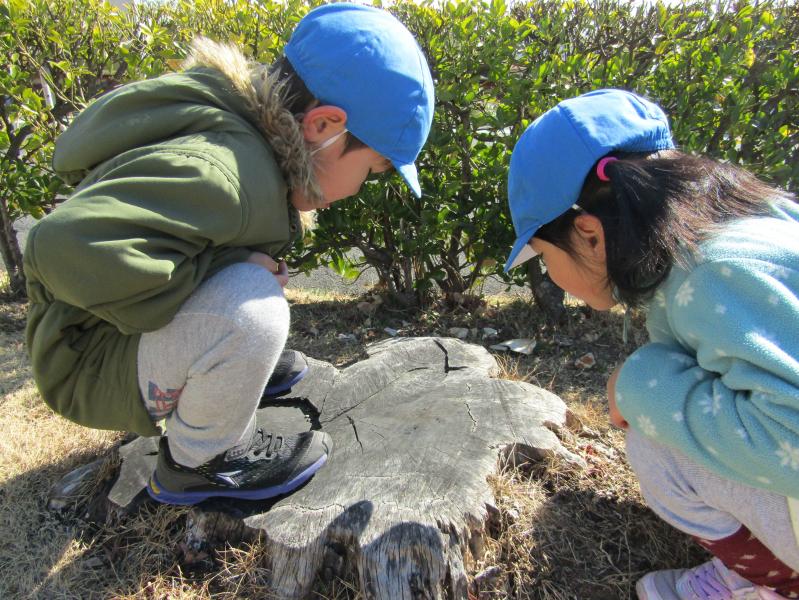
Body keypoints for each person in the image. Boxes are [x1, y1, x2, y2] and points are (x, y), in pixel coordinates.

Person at [24, 3, 434, 505]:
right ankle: (200, 461)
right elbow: (59, 247)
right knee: (252, 307)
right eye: (372, 170)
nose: (361, 187)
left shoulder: (241, 140)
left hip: (97, 336)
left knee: (246, 294)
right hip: (84, 362)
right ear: (325, 126)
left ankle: (222, 374)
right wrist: (226, 269)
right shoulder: (226, 174)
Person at [504, 89, 799, 599]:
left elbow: (789, 436)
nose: (548, 273)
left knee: (653, 442)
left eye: (542, 255)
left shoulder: (708, 277)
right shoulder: (752, 224)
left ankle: (769, 584)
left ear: (589, 235)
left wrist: (641, 384)